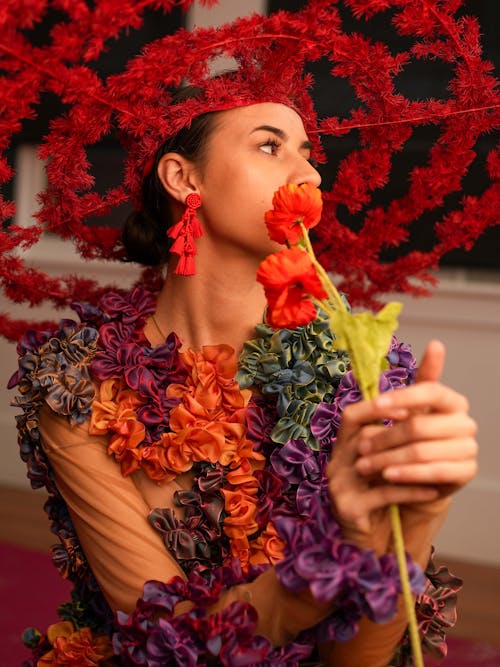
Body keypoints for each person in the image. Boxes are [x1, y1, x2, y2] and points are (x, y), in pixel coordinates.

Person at [11, 97, 478, 667]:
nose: (308, 174)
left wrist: (416, 517)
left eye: (308, 153)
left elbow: (358, 660)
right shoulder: (83, 384)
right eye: (269, 146)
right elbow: (170, 640)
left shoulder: (366, 375)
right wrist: (334, 554)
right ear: (183, 178)